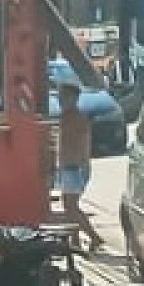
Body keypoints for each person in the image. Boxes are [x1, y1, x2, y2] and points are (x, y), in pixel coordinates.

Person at [53, 81, 102, 249]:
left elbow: (83, 145)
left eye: (64, 97)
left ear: (73, 98)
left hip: (75, 168)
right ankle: (75, 240)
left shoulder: (77, 119)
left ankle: (93, 237)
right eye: (60, 97)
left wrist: (82, 165)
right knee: (68, 206)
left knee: (71, 207)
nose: (61, 100)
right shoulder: (64, 117)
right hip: (67, 166)